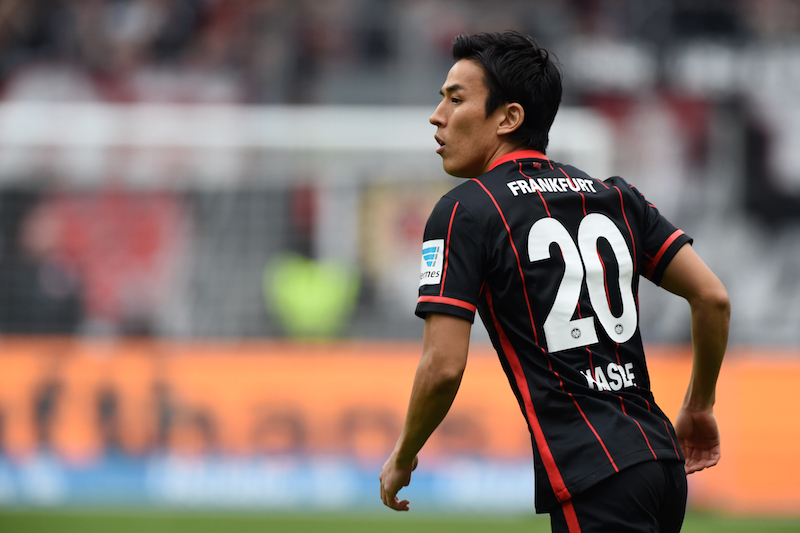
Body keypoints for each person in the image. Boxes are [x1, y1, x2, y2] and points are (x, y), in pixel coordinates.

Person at [379, 31, 730, 533]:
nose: (437, 116)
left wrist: (404, 454)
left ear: (508, 118)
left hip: (592, 474)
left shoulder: (466, 210)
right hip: (662, 463)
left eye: (455, 99)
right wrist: (699, 405)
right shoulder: (616, 196)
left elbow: (442, 367)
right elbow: (712, 298)